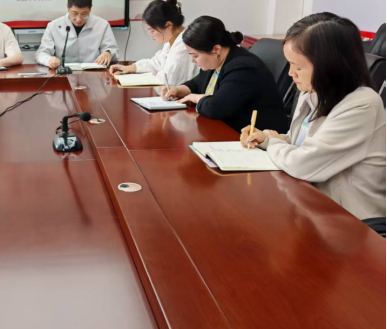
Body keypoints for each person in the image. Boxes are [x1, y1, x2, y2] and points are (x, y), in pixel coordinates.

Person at [242, 14, 386, 220]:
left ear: (330, 65)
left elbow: (302, 163)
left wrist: (273, 143)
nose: (291, 73)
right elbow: (298, 143)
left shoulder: (362, 105)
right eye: (289, 64)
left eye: (298, 67)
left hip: (351, 220)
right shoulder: (313, 92)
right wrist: (265, 138)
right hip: (310, 202)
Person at [163, 16, 288, 133]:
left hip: (255, 138)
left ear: (216, 49)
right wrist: (179, 90)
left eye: (195, 56)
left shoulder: (242, 67)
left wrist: (195, 98)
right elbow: (197, 82)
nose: (192, 60)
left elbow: (216, 108)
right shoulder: (216, 61)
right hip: (227, 130)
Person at [110, 0, 199, 85]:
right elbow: (157, 63)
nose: (150, 35)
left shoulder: (183, 45)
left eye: (152, 30)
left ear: (168, 25)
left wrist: (157, 75)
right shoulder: (172, 39)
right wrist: (130, 68)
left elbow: (170, 80)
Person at [36, 0, 119, 69]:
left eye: (84, 14)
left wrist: (108, 53)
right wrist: (48, 59)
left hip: (94, 73)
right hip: (64, 73)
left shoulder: (102, 25)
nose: (79, 19)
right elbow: (41, 54)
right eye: (74, 13)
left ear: (90, 8)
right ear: (67, 7)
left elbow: (113, 51)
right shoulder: (53, 26)